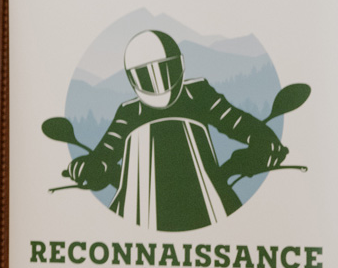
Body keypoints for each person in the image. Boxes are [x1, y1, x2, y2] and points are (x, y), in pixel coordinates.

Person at [66, 29, 288, 231]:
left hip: (207, 197)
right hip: (141, 207)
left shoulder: (199, 94)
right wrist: (88, 167)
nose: (158, 82)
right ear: (132, 79)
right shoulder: (129, 112)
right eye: (146, 75)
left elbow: (238, 123)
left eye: (165, 69)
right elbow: (105, 153)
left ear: (180, 65)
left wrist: (257, 148)